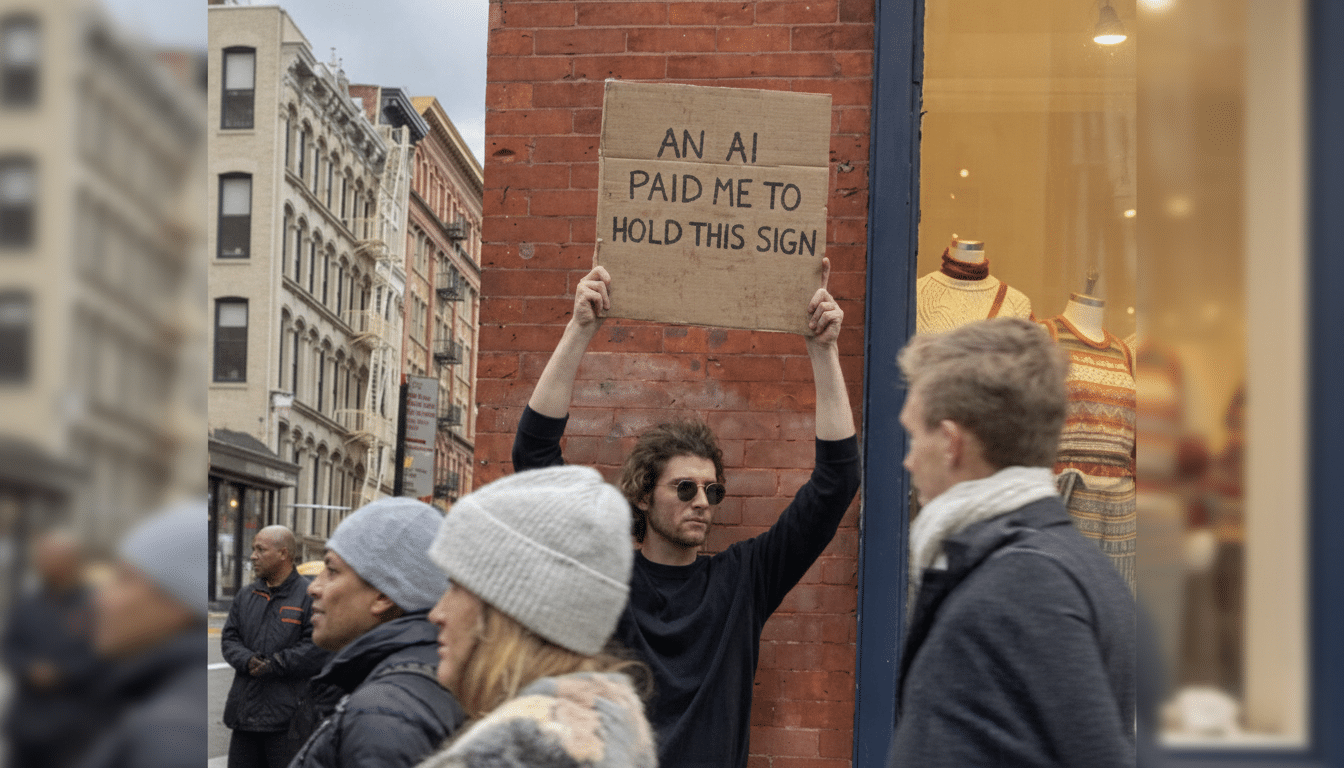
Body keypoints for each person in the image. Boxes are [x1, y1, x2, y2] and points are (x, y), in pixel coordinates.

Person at [512, 260, 860, 768]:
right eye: (685, 487)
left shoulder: (744, 580)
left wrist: (823, 351)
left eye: (712, 491)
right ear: (642, 496)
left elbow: (836, 483)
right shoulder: (604, 576)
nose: (702, 500)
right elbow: (534, 458)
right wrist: (580, 329)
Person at [886, 318, 1136, 767]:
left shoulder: (1023, 584)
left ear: (950, 443)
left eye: (914, 434)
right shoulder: (1056, 564)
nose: (907, 460)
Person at [415, 465, 656, 768]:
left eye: (456, 586)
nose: (437, 613)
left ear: (511, 611)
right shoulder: (614, 736)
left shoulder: (501, 757)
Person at [288, 498, 466, 768]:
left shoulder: (386, 715)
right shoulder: (420, 681)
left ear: (383, 595)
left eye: (332, 570)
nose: (314, 587)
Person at [75, 499, 208, 768]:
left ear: (178, 601)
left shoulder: (173, 735)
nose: (99, 599)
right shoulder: (150, 697)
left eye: (125, 579)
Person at [221, 525, 329, 768]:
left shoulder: (308, 597)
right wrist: (247, 660)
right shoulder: (246, 595)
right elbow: (229, 639)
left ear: (283, 554)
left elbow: (316, 647)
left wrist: (275, 664)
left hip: (288, 723)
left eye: (260, 550)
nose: (252, 556)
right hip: (244, 718)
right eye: (253, 549)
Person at [2, 530, 107, 768]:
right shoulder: (28, 604)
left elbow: (105, 656)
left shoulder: (96, 605)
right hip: (26, 724)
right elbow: (10, 646)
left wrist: (63, 673)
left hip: (75, 727)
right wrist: (28, 668)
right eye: (42, 558)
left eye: (51, 558)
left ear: (73, 562)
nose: (42, 564)